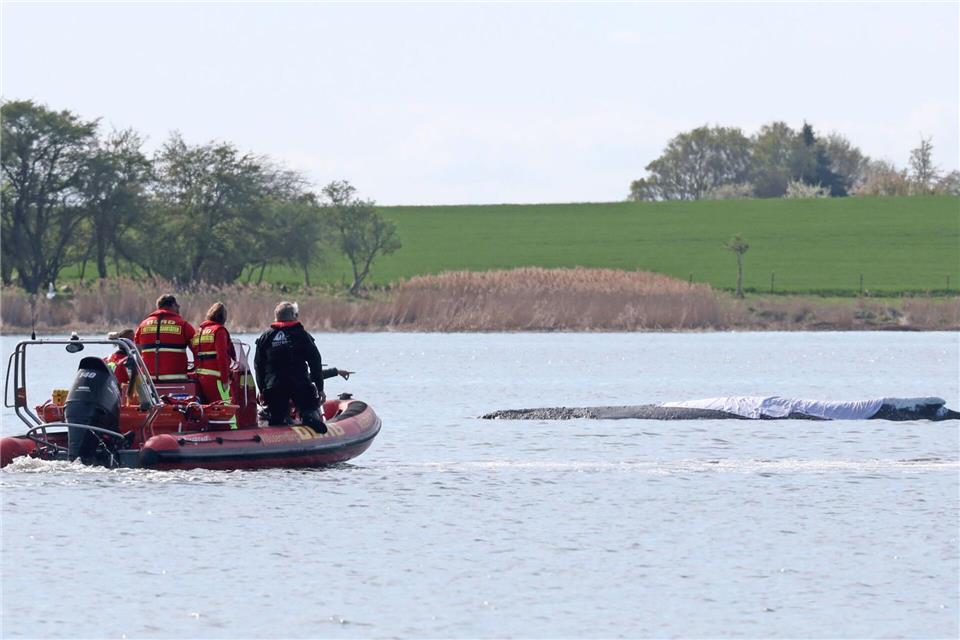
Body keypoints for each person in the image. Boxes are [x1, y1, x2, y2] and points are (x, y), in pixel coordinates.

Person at [254, 301, 353, 433]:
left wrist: (262, 390)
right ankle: (308, 417)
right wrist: (320, 389)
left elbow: (258, 366)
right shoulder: (302, 335)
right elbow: (315, 363)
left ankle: (276, 428)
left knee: (276, 417)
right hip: (299, 385)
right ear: (294, 316)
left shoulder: (265, 338)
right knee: (308, 406)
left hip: (274, 387)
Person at [191, 302, 238, 428]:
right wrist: (225, 378)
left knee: (210, 408)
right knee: (226, 407)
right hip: (215, 376)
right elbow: (222, 355)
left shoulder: (199, 331)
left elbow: (196, 353)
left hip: (200, 376)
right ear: (223, 317)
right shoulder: (219, 331)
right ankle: (232, 431)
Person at [134, 294, 196, 382]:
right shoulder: (184, 325)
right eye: (177, 305)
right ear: (172, 305)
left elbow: (137, 351)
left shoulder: (143, 325)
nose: (178, 308)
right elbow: (197, 350)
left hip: (149, 382)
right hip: (177, 381)